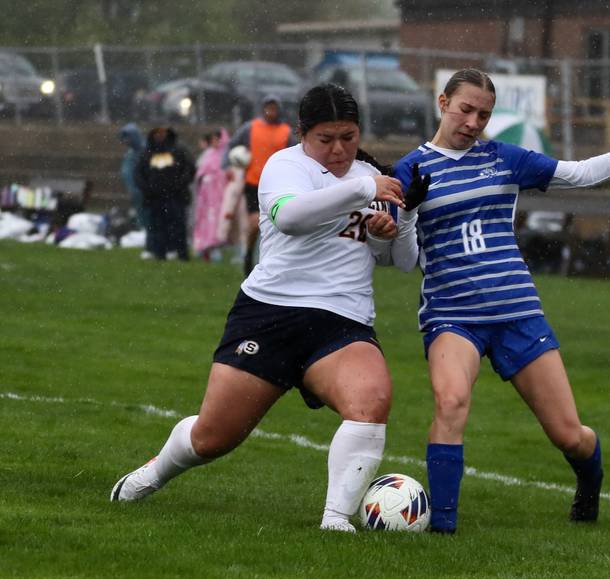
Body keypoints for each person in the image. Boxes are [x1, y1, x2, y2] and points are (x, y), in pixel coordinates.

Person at [110, 84, 426, 533]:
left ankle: (335, 520)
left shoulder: (370, 175)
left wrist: (394, 224)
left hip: (343, 321)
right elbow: (290, 217)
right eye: (326, 138)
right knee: (213, 438)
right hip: (271, 313)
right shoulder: (287, 165)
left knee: (371, 400)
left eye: (348, 137)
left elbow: (401, 260)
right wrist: (362, 190)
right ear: (302, 134)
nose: (338, 149)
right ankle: (156, 471)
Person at [393, 68, 610, 533]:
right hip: (453, 316)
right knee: (450, 403)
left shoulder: (505, 158)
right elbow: (404, 259)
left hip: (517, 314)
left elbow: (582, 174)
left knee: (569, 436)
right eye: (466, 109)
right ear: (442, 102)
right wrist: (408, 211)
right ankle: (442, 529)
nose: (473, 122)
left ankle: (589, 482)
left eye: (484, 115)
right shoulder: (410, 169)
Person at [223, 95, 296, 276]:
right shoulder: (251, 128)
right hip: (254, 182)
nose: (271, 111)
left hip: (278, 185)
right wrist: (226, 165)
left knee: (276, 225)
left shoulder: (286, 132)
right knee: (255, 224)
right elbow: (231, 145)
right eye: (268, 108)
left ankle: (269, 261)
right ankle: (248, 256)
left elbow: (297, 154)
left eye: (274, 108)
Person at [135, 127, 196, 261]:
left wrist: (178, 185)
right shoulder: (147, 153)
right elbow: (139, 174)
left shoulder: (178, 151)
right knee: (157, 226)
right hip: (154, 198)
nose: (160, 136)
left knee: (178, 226)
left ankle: (181, 253)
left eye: (163, 133)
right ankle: (159, 253)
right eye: (157, 133)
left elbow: (189, 169)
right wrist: (148, 188)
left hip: (176, 197)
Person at [192, 128, 229, 261]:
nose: (215, 142)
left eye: (217, 139)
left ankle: (215, 246)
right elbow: (200, 172)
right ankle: (205, 245)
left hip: (218, 194)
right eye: (212, 139)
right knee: (205, 219)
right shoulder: (208, 154)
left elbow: (225, 172)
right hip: (206, 194)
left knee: (217, 219)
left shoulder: (225, 155)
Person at [118, 122, 153, 259]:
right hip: (136, 192)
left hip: (145, 191)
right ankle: (144, 236)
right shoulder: (130, 153)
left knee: (149, 218)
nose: (125, 141)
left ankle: (150, 241)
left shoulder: (145, 151)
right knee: (142, 217)